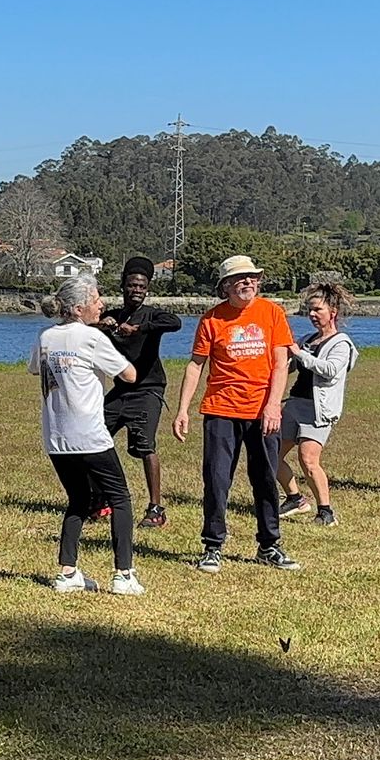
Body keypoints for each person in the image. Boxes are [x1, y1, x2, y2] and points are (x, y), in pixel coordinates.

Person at [171, 255, 299, 573]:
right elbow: (195, 365)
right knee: (216, 480)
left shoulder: (272, 313)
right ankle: (213, 546)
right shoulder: (212, 319)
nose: (247, 283)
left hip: (262, 411)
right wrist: (182, 409)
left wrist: (272, 405)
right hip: (220, 410)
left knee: (266, 479)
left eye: (252, 278)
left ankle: (269, 546)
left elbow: (280, 363)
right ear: (225, 286)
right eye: (240, 279)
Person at [30, 274, 141, 596]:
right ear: (78, 308)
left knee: (78, 499)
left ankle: (68, 573)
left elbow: (36, 369)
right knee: (120, 498)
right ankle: (123, 574)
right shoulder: (91, 338)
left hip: (56, 436)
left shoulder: (46, 336)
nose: (102, 304)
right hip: (90, 435)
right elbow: (129, 375)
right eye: (96, 300)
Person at [99, 256, 182, 527]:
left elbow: (175, 322)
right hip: (121, 389)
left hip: (148, 389)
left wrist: (139, 328)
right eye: (132, 285)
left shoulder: (152, 315)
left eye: (142, 286)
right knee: (93, 436)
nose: (137, 290)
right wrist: (102, 324)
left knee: (145, 444)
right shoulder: (113, 315)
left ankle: (156, 509)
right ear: (123, 285)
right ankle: (101, 499)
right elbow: (83, 324)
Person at [277, 282, 359, 527]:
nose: (312, 315)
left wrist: (299, 353)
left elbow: (330, 370)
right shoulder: (307, 339)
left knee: (308, 460)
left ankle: (326, 511)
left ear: (332, 312)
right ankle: (295, 499)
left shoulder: (341, 344)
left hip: (319, 410)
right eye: (310, 310)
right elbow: (289, 365)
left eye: (317, 310)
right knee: (271, 455)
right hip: (294, 405)